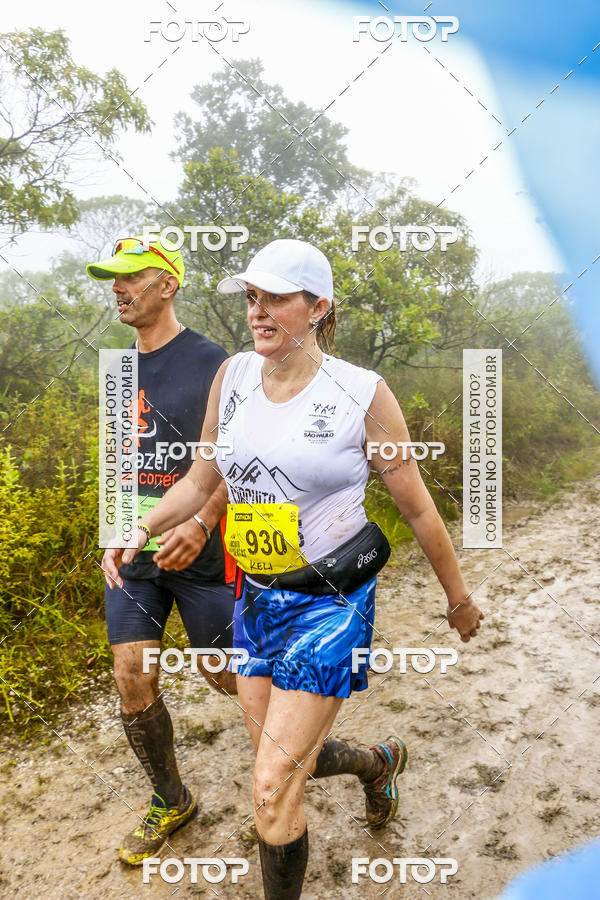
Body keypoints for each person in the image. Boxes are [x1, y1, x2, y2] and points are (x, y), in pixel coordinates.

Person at [103, 238, 483, 897]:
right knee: (279, 765)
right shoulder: (234, 378)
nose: (258, 311)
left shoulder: (361, 393)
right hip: (257, 598)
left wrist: (458, 598)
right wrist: (142, 527)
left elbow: (418, 509)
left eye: (276, 298)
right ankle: (377, 764)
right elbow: (201, 480)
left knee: (271, 787)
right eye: (252, 298)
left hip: (331, 603)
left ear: (318, 307)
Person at [89, 236, 237, 865]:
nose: (117, 289)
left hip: (204, 554)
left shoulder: (215, 361)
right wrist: (113, 533)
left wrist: (202, 522)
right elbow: (120, 461)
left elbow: (233, 458)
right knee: (132, 674)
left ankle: (350, 760)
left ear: (168, 285)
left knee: (232, 678)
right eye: (113, 278)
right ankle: (171, 800)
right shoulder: (117, 369)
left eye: (130, 277)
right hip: (137, 555)